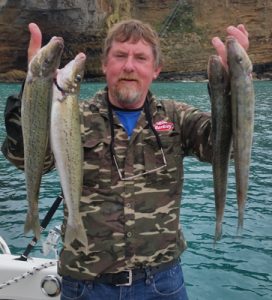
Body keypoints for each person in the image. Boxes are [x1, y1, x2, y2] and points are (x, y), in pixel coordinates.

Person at [1, 19, 249, 300]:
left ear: (156, 69)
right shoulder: (71, 116)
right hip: (85, 286)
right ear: (105, 65)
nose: (129, 66)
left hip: (162, 284)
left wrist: (232, 85)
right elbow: (26, 158)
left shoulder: (176, 117)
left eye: (140, 57)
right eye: (120, 56)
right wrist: (33, 90)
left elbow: (225, 147)